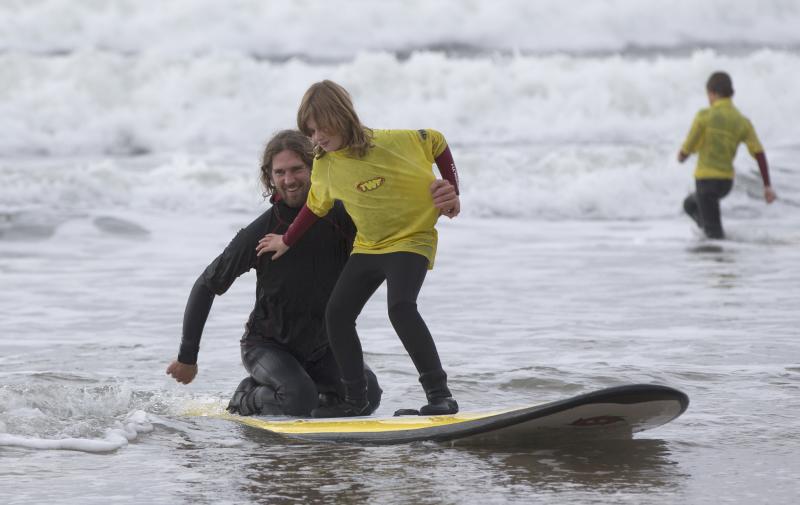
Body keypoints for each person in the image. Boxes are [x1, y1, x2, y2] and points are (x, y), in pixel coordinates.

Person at [165, 129, 459, 417]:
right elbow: (207, 284)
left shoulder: (345, 217)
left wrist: (438, 195)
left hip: (323, 347)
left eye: (297, 169)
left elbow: (390, 214)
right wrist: (187, 356)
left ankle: (306, 400)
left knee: (368, 395)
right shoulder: (262, 231)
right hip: (268, 346)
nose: (289, 180)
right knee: (296, 397)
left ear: (315, 168)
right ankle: (247, 397)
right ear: (269, 177)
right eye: (279, 172)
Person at [256, 80, 462, 418]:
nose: (317, 138)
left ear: (343, 117)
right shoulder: (325, 164)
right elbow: (315, 207)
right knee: (337, 315)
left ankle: (440, 396)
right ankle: (354, 400)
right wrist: (286, 239)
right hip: (368, 246)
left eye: (322, 128)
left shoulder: (394, 142)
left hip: (411, 239)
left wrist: (452, 189)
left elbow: (436, 140)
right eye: (310, 131)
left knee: (401, 307)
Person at [678, 71, 777, 239]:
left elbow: (689, 145)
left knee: (714, 233)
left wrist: (683, 155)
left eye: (708, 95)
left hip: (706, 181)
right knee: (690, 204)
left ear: (713, 93)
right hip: (725, 183)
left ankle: (718, 253)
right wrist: (767, 185)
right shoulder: (741, 121)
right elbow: (759, 153)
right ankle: (711, 235)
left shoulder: (704, 116)